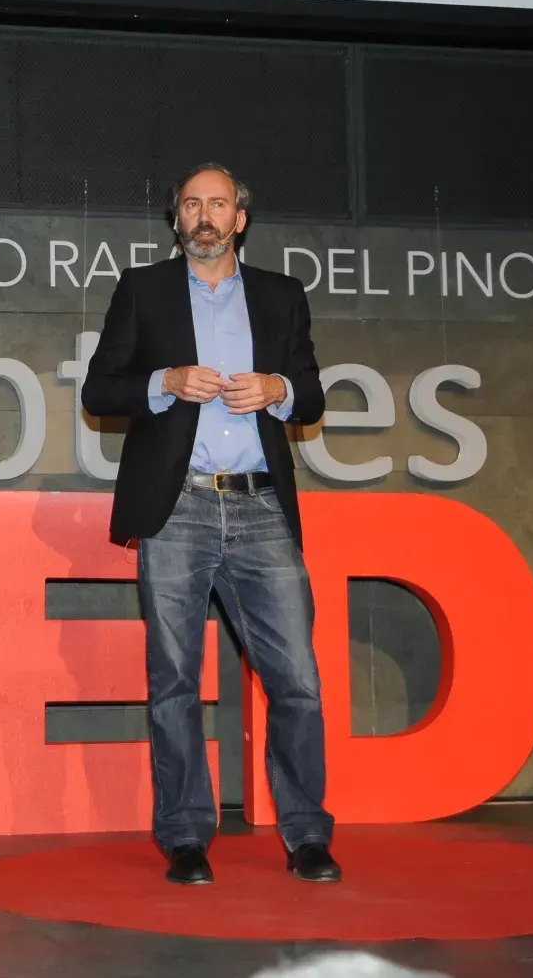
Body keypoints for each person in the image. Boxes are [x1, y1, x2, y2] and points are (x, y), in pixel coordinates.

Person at [81, 163, 340, 886]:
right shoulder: (143, 290)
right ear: (176, 220)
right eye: (191, 204)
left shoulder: (283, 296)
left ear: (240, 219)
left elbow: (312, 395)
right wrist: (162, 383)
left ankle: (308, 835)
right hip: (179, 507)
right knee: (174, 683)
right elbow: (100, 387)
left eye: (217, 204)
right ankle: (186, 837)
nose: (204, 215)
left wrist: (278, 388)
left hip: (262, 510)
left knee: (297, 680)